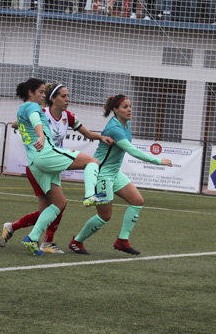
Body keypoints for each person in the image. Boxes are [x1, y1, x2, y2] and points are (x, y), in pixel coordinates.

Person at [2, 82, 112, 254]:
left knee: (57, 205)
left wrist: (100, 137)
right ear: (52, 98)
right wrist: (37, 134)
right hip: (45, 157)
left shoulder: (67, 116)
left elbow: (87, 134)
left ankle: (28, 236)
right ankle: (90, 195)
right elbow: (28, 121)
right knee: (92, 162)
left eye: (68, 96)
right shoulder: (38, 110)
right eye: (63, 96)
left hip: (49, 159)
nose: (68, 99)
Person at [69, 95, 173, 256]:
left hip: (114, 173)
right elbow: (131, 150)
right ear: (115, 110)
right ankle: (77, 242)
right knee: (105, 216)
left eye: (130, 106)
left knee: (137, 201)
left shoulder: (125, 124)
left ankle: (122, 241)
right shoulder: (114, 128)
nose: (129, 109)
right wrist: (158, 161)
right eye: (125, 107)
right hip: (102, 174)